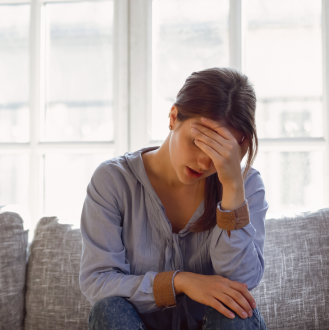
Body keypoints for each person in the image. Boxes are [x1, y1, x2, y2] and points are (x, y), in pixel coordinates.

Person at [80, 68, 268, 330]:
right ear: (173, 117)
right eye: (197, 142)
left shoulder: (246, 185)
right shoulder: (113, 181)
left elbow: (240, 282)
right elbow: (98, 282)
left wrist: (233, 189)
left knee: (232, 313)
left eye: (219, 151)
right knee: (109, 310)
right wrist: (181, 282)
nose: (204, 162)